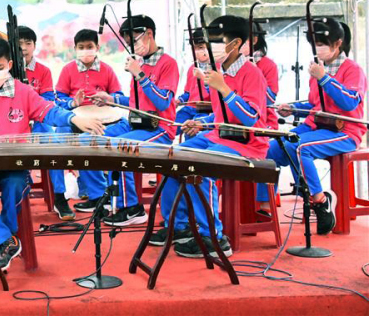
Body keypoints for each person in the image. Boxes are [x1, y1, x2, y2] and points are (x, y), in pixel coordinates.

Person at [0, 37, 107, 271]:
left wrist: (74, 118)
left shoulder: (23, 92)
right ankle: (6, 241)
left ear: (9, 65)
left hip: (14, 163)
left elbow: (49, 111)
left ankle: (2, 241)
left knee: (16, 184)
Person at [155, 15, 268, 257]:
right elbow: (221, 115)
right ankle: (180, 227)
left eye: (217, 40)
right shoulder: (218, 70)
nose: (211, 46)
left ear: (235, 44)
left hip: (247, 144)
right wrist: (202, 123)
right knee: (171, 158)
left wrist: (223, 88)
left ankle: (214, 237)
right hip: (219, 136)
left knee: (200, 167)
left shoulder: (252, 73)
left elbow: (250, 118)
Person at [257, 18, 365, 235]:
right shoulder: (318, 69)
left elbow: (350, 102)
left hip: (345, 131)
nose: (318, 49)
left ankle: (320, 200)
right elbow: (316, 105)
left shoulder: (352, 70)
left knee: (300, 147)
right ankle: (265, 206)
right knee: (270, 149)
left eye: (322, 44)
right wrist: (293, 109)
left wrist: (324, 78)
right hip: (315, 126)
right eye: (315, 44)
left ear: (338, 43)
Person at [102, 15, 179, 227]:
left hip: (159, 127)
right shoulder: (140, 63)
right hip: (136, 123)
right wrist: (111, 99)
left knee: (121, 146)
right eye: (128, 43)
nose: (131, 47)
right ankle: (107, 198)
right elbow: (136, 102)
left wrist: (140, 75)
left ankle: (132, 208)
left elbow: (163, 102)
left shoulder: (168, 64)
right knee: (99, 137)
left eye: (134, 41)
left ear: (149, 34)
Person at [54, 29, 124, 214]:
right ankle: (60, 194)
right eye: (81, 47)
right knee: (57, 141)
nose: (85, 50)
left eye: (89, 46)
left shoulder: (107, 70)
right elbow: (58, 98)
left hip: (104, 119)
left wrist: (107, 98)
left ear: (97, 47)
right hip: (76, 119)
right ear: (75, 48)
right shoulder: (68, 70)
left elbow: (118, 95)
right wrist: (73, 103)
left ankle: (98, 194)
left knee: (91, 141)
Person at [18, 25, 70, 220]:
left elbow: (48, 100)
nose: (24, 47)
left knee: (54, 147)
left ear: (34, 46)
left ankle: (59, 196)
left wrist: (32, 108)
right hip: (15, 122)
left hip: (39, 120)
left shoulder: (43, 71)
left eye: (28, 43)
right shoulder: (6, 69)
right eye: (19, 43)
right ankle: (20, 192)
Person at [241, 22, 279, 130]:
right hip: (236, 122)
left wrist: (256, 73)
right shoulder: (230, 65)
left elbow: (270, 100)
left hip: (264, 122)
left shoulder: (268, 65)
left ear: (254, 40)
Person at [175, 29, 211, 134]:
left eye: (201, 47)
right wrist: (179, 100)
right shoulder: (192, 68)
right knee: (173, 125)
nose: (197, 51)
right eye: (194, 48)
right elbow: (188, 93)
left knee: (190, 131)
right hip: (189, 108)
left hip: (207, 110)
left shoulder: (218, 67)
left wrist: (204, 78)